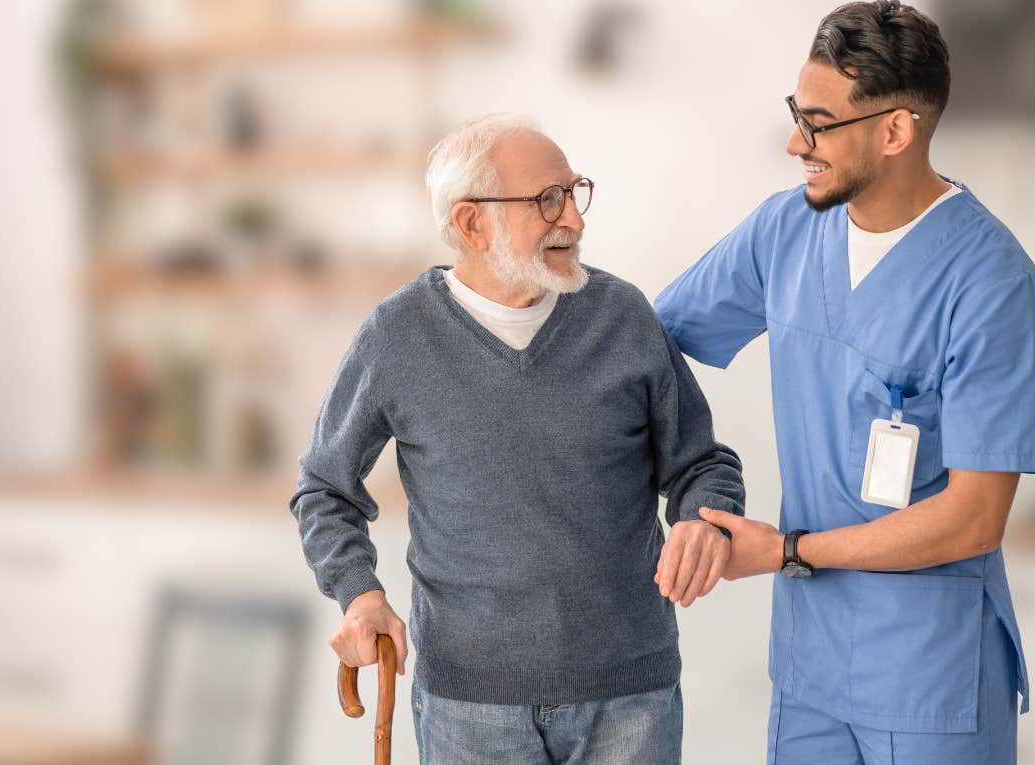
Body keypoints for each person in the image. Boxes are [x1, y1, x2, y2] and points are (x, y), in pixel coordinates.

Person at [654, 2, 1035, 763]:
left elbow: (974, 518)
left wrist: (787, 551)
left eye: (817, 123)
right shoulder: (785, 232)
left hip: (931, 678)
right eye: (795, 115)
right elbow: (648, 347)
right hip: (810, 667)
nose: (793, 142)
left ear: (896, 131)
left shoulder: (993, 285)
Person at [290, 113, 746, 765]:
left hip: (630, 698)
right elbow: (324, 487)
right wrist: (360, 592)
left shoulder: (624, 317)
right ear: (473, 222)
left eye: (574, 192)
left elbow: (703, 463)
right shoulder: (397, 336)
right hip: (467, 705)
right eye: (547, 200)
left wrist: (707, 520)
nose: (576, 220)